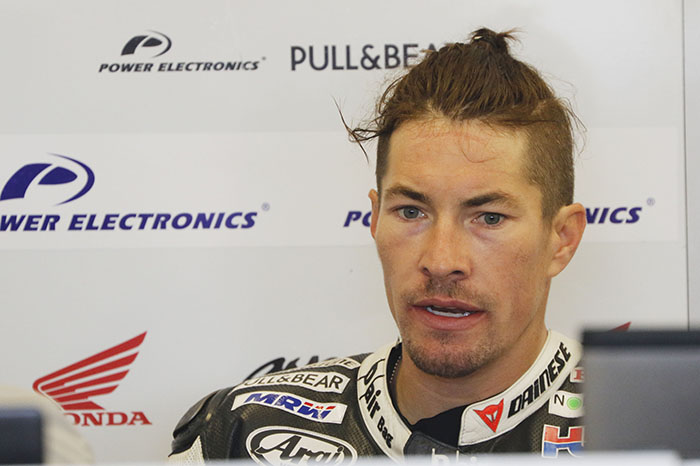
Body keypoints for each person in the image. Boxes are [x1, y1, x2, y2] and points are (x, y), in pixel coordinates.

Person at [169, 27, 587, 462]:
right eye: (411, 212)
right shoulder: (241, 431)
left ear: (562, 240)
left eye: (489, 218)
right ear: (375, 217)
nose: (441, 260)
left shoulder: (629, 430)